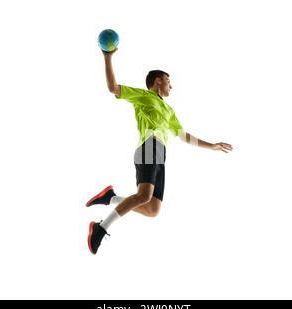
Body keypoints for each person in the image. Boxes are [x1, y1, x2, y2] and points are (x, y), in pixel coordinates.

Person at [86, 48, 233, 254]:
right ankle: (100, 228)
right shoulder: (144, 96)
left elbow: (183, 136)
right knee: (144, 196)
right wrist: (108, 57)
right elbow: (113, 88)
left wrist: (213, 145)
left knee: (152, 209)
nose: (171, 86)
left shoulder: (169, 110)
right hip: (149, 145)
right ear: (158, 81)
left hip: (161, 154)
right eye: (168, 81)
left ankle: (110, 197)